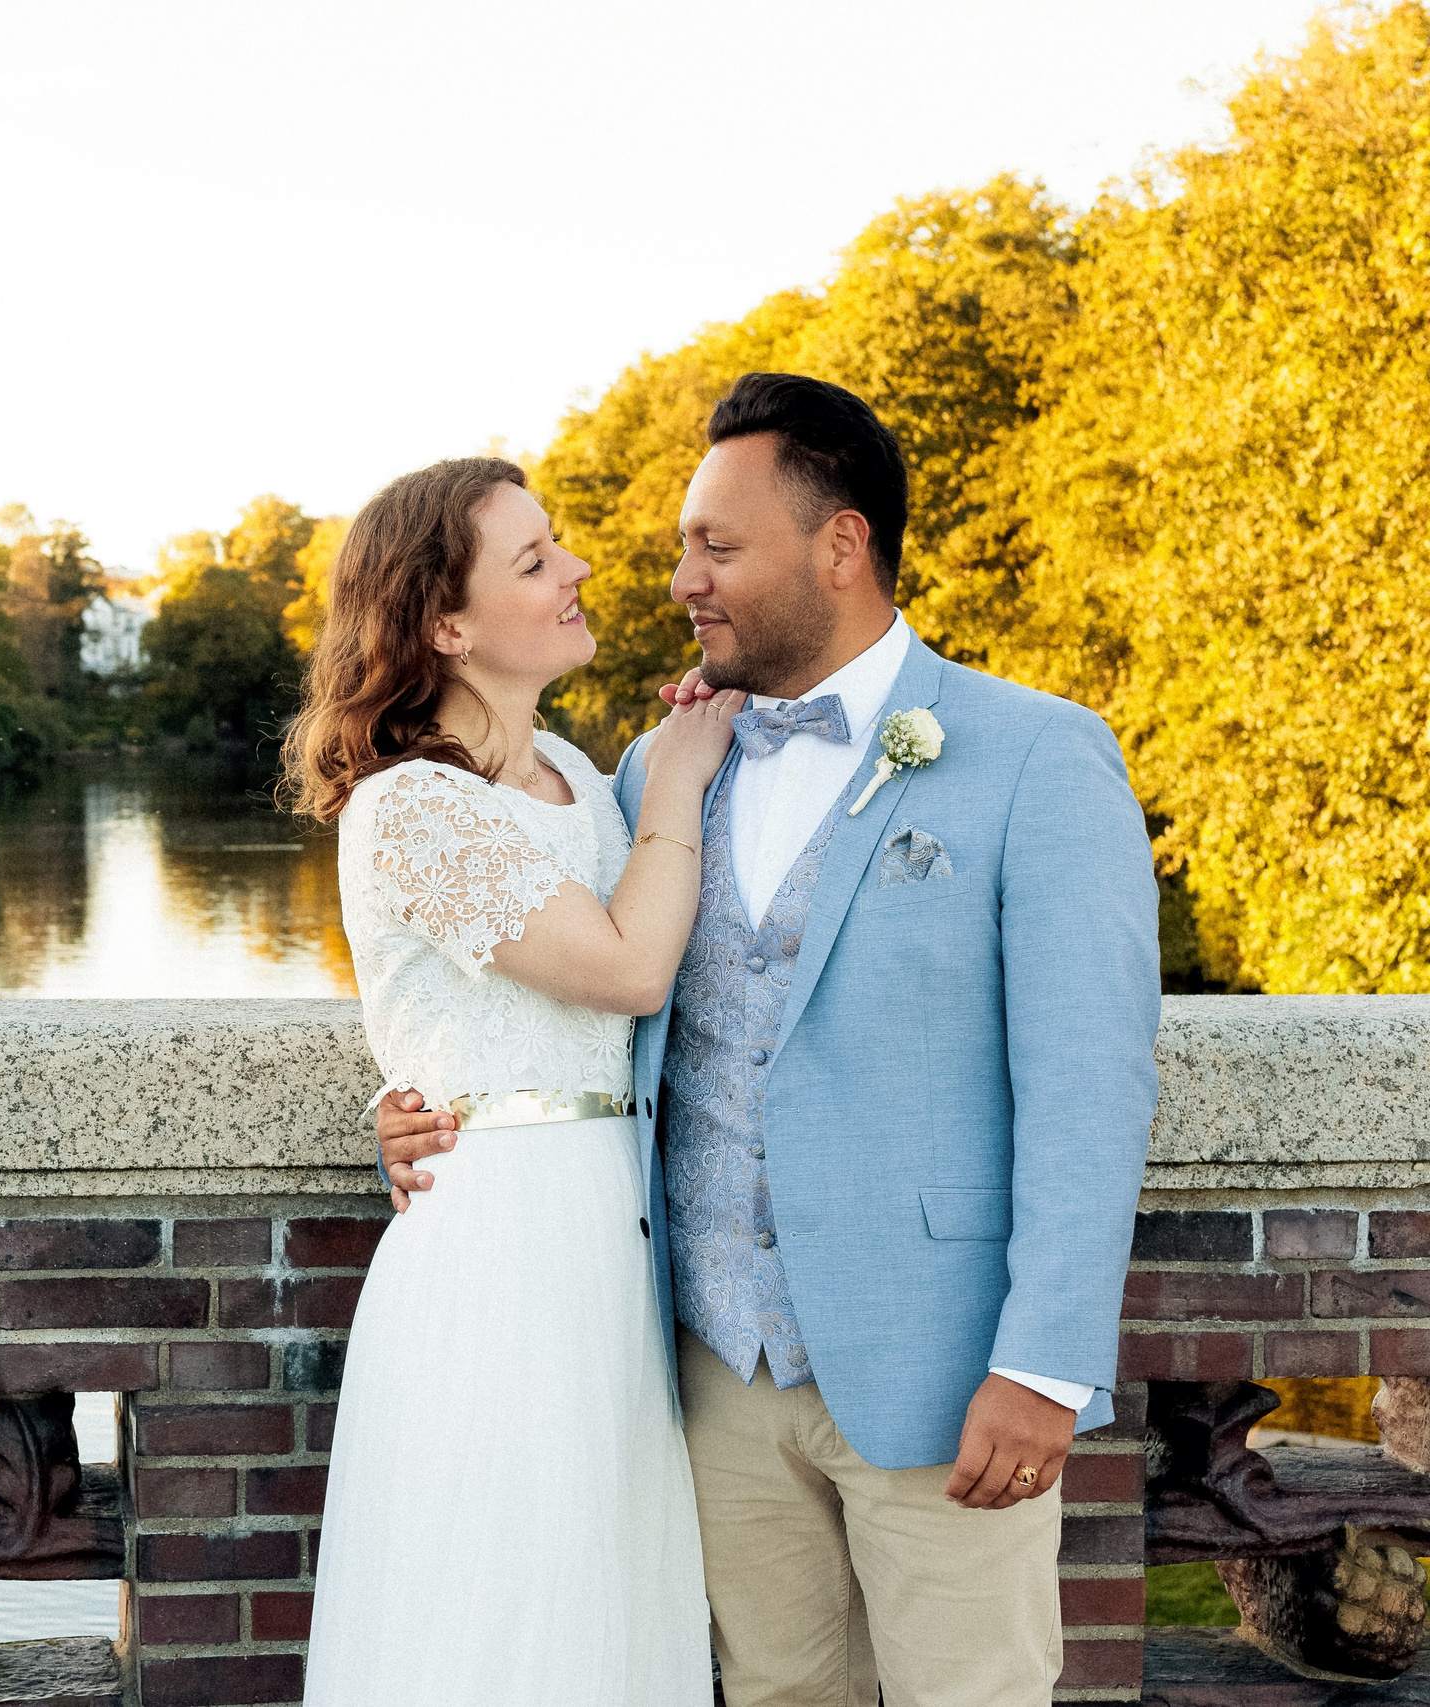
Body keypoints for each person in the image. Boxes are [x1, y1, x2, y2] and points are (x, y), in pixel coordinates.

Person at [374, 375, 1160, 1705]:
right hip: (709, 1377)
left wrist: (1044, 1361)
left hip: (945, 1376)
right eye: (687, 544)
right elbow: (548, 997)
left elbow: (1093, 1085)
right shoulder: (650, 773)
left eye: (715, 546)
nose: (681, 577)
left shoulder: (1037, 757)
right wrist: (433, 1104)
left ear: (840, 545)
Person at [282, 455, 745, 1703]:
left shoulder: (585, 782)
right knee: (497, 1593)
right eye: (533, 560)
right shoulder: (412, 809)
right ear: (444, 623)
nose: (577, 569)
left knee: (601, 1591)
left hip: (610, 1242)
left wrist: (664, 768)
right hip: (496, 1254)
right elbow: (628, 967)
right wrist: (686, 777)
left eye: (560, 546)